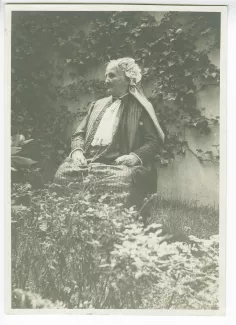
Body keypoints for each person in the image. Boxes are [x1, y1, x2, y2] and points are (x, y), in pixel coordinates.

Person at [54, 57, 164, 215]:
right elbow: (79, 133)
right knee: (63, 174)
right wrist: (77, 151)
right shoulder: (97, 105)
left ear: (128, 80)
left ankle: (114, 227)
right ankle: (71, 220)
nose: (106, 81)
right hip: (88, 161)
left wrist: (134, 157)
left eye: (112, 76)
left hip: (117, 164)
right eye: (106, 76)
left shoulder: (141, 108)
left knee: (121, 181)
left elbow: (154, 142)